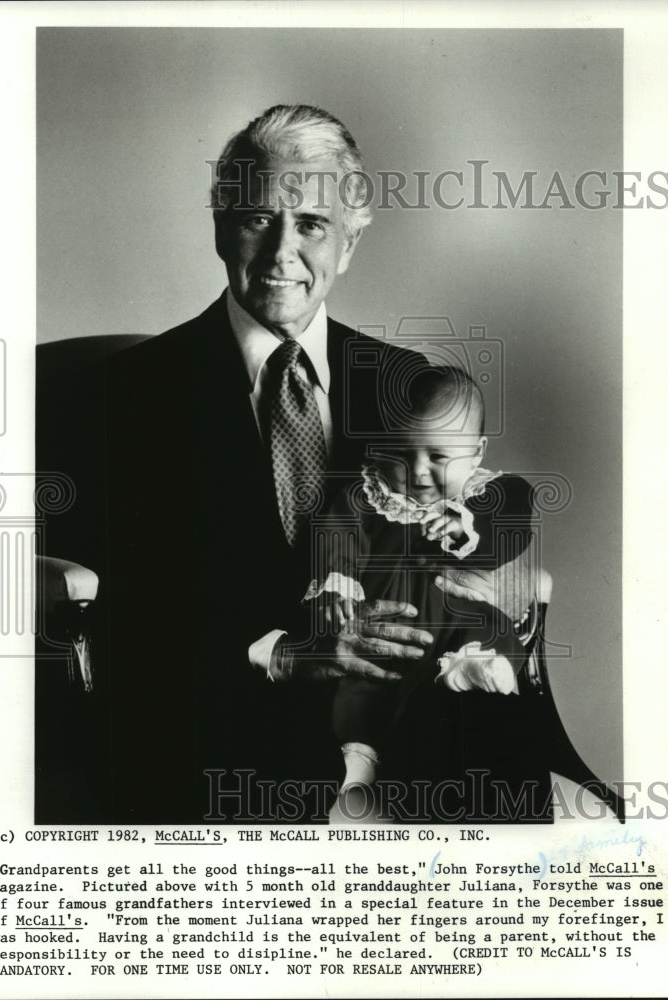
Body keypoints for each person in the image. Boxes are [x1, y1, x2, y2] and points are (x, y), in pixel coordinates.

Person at [101, 104, 441, 822]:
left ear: (348, 243)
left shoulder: (411, 389)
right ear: (222, 229)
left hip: (404, 758)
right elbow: (109, 616)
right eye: (258, 218)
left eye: (313, 224)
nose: (284, 251)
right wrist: (285, 653)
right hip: (205, 761)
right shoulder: (122, 394)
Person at [306, 364, 547, 821]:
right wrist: (336, 582)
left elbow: (516, 515)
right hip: (388, 625)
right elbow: (335, 534)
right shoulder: (368, 493)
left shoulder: (486, 492)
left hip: (456, 615)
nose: (417, 472)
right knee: (361, 680)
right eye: (401, 453)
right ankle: (360, 754)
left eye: (438, 456)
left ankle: (472, 668)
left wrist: (468, 525)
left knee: (487, 629)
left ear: (476, 454)